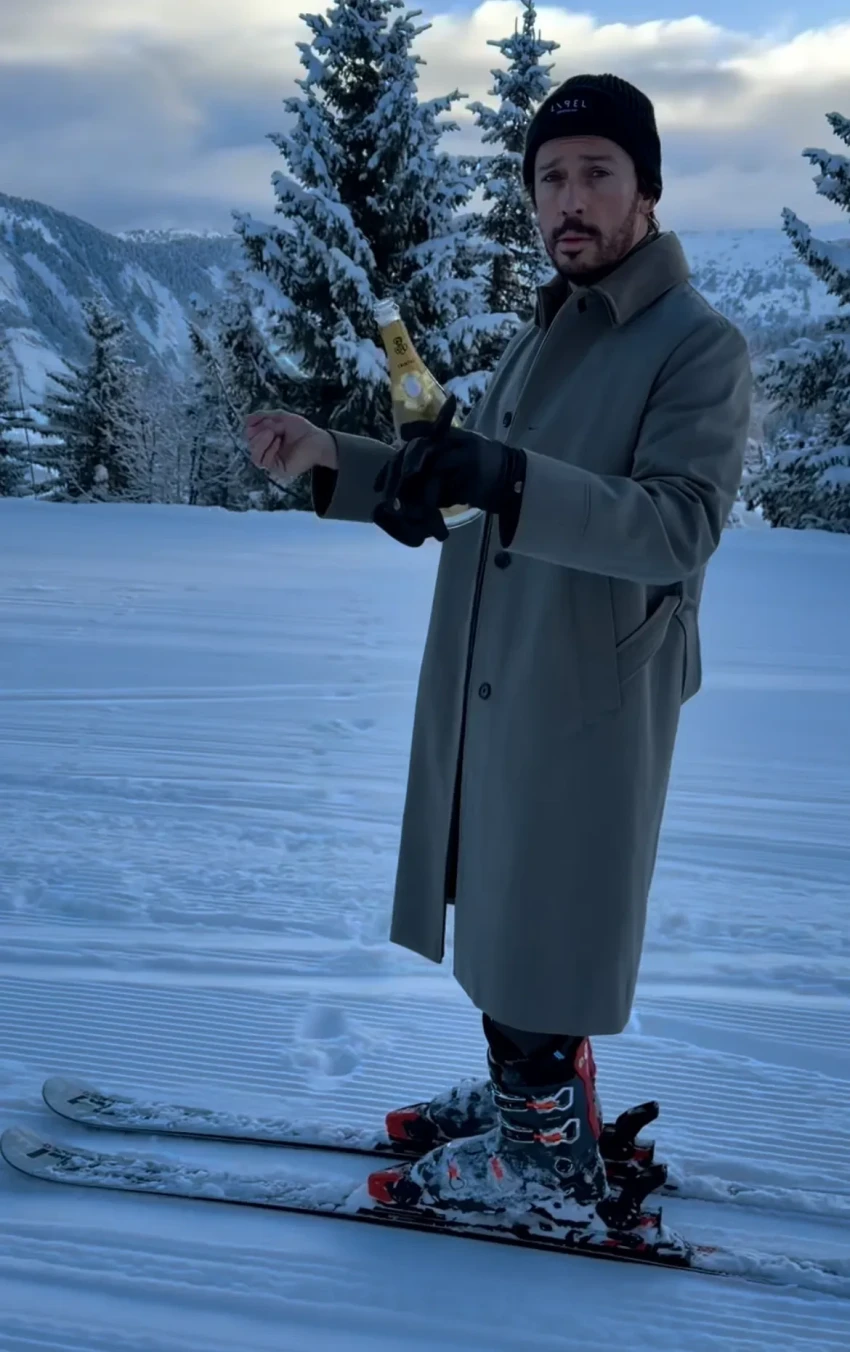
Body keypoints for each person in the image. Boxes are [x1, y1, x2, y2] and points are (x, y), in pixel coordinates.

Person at [245, 73, 753, 1227]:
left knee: (549, 903)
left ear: (646, 189)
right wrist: (335, 460)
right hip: (500, 657)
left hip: (589, 679)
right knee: (506, 893)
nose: (568, 200)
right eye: (549, 178)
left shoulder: (695, 345)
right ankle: (543, 1095)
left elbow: (678, 523)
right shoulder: (550, 328)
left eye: (596, 174)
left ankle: (544, 1158)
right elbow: (476, 486)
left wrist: (508, 475)